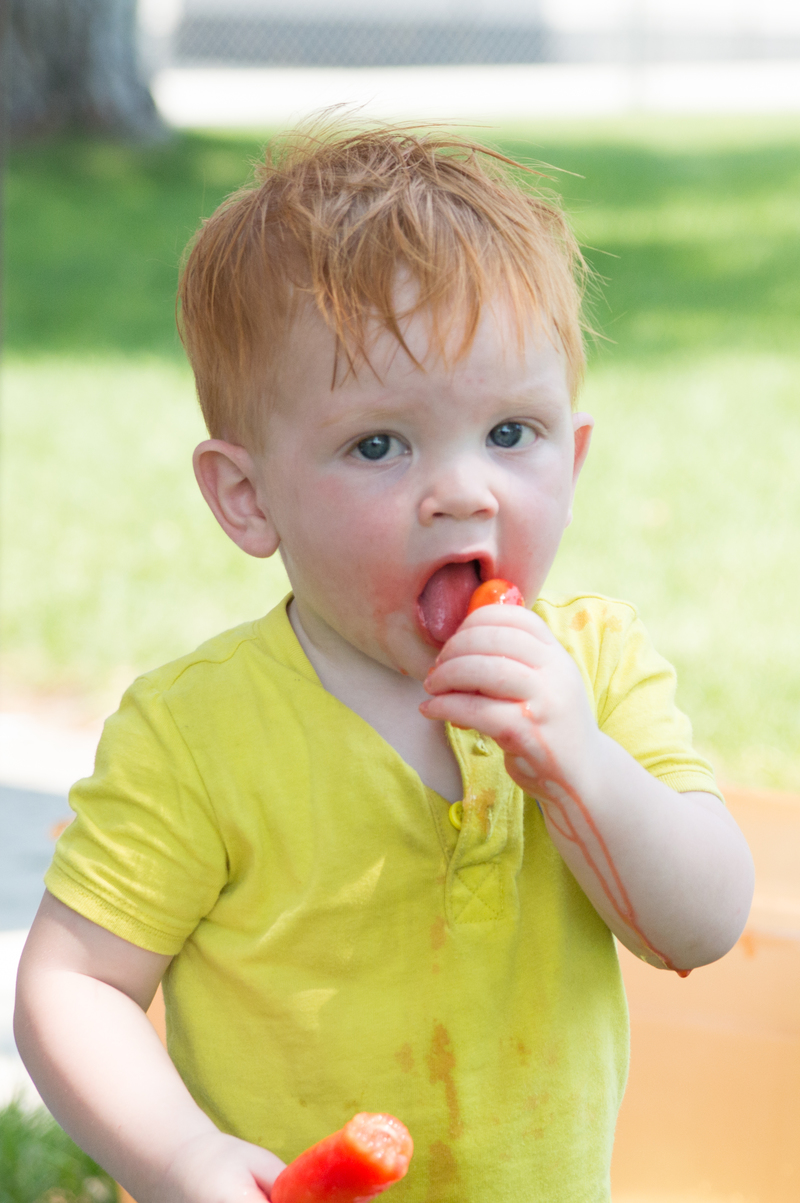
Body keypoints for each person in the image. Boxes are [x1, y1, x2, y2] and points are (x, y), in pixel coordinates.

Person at [15, 123, 754, 1203]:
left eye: (511, 433)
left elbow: (701, 923)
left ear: (575, 456)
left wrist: (579, 765)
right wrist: (183, 1159)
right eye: (379, 444)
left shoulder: (595, 668)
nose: (464, 491)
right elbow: (72, 987)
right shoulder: (196, 735)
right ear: (248, 497)